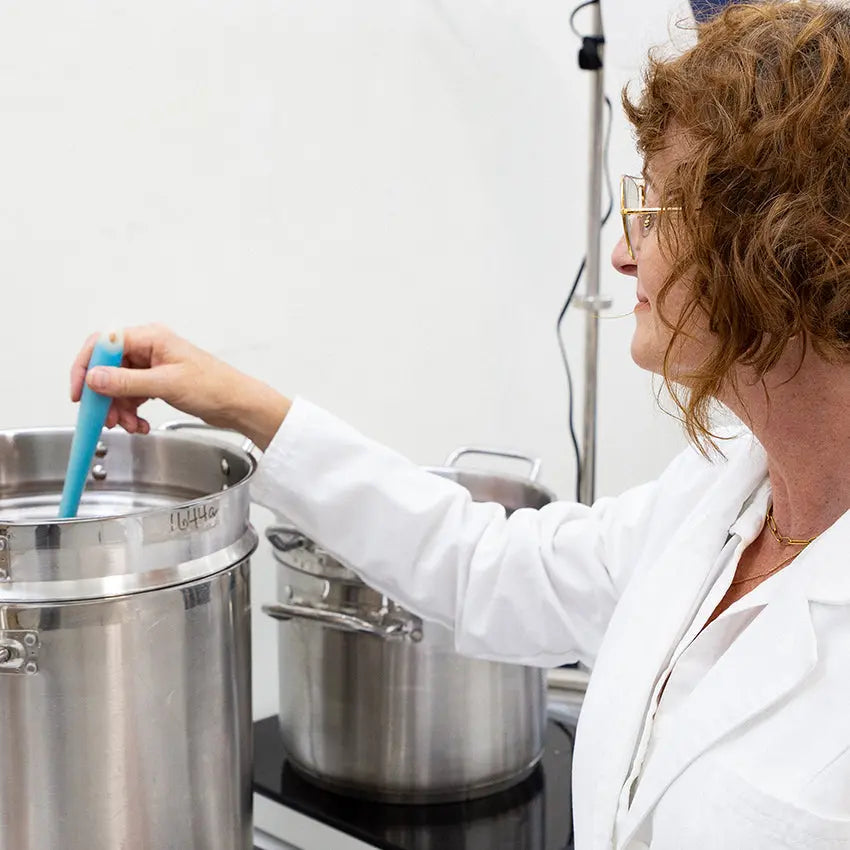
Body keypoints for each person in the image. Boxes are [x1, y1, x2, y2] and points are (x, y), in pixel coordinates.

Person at [69, 3, 850, 848]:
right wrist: (235, 400)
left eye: (656, 211)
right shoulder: (718, 503)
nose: (623, 255)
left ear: (786, 249)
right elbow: (486, 564)